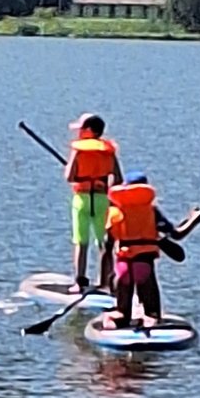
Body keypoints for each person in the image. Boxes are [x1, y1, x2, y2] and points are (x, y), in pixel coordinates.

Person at [102, 171, 198, 329]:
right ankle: (150, 323)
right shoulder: (151, 212)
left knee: (121, 313)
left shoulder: (114, 213)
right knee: (152, 313)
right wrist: (193, 219)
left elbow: (107, 246)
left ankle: (113, 323)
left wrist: (108, 278)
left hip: (123, 267)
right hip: (144, 266)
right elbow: (176, 234)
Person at [64, 113, 123, 294]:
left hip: (81, 199)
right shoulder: (108, 150)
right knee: (104, 243)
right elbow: (118, 178)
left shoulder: (78, 150)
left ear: (88, 130)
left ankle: (79, 282)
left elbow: (69, 177)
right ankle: (107, 281)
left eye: (81, 129)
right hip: (102, 199)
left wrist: (78, 172)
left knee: (81, 241)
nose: (78, 133)